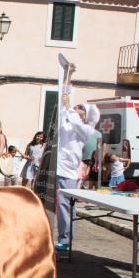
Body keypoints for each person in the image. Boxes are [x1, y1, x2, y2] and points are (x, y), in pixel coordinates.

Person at [54, 95, 100, 252]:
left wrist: (68, 106)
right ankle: (63, 236)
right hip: (59, 167)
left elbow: (73, 119)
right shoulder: (70, 125)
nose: (76, 108)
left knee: (65, 206)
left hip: (68, 171)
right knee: (60, 206)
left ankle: (65, 239)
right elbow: (62, 119)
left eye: (80, 107)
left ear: (85, 115)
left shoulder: (86, 129)